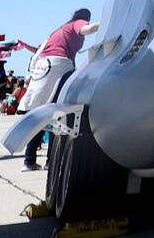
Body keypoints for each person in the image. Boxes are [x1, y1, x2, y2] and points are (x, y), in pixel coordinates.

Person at [19, 9, 99, 170]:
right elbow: (87, 30)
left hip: (44, 68)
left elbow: (40, 50)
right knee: (58, 112)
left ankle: (29, 161)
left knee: (39, 113)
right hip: (58, 67)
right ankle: (51, 161)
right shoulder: (77, 23)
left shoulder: (61, 29)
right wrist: (108, 22)